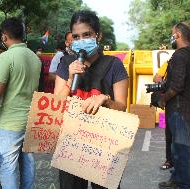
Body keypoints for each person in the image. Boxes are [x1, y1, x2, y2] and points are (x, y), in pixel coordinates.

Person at [54, 10, 128, 189]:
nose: (81, 41)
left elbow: (122, 106)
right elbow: (55, 104)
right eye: (76, 36)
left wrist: (106, 100)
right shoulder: (65, 63)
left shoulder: (114, 65)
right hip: (71, 145)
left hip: (104, 146)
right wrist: (70, 79)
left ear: (98, 35)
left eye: (87, 35)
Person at [0, 17, 41, 189]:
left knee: (7, 167)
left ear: (4, 36)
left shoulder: (5, 58)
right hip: (30, 120)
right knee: (28, 163)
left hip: (9, 123)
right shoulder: (35, 58)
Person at [158, 22, 190, 189]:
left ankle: (184, 184)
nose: (171, 37)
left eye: (172, 34)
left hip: (179, 109)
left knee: (181, 148)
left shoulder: (181, 55)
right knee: (176, 146)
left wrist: (163, 99)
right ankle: (176, 179)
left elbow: (177, 86)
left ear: (178, 35)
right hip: (188, 108)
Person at [154, 62, 190, 172]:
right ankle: (170, 160)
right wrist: (165, 84)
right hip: (174, 106)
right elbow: (156, 78)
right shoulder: (170, 63)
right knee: (171, 135)